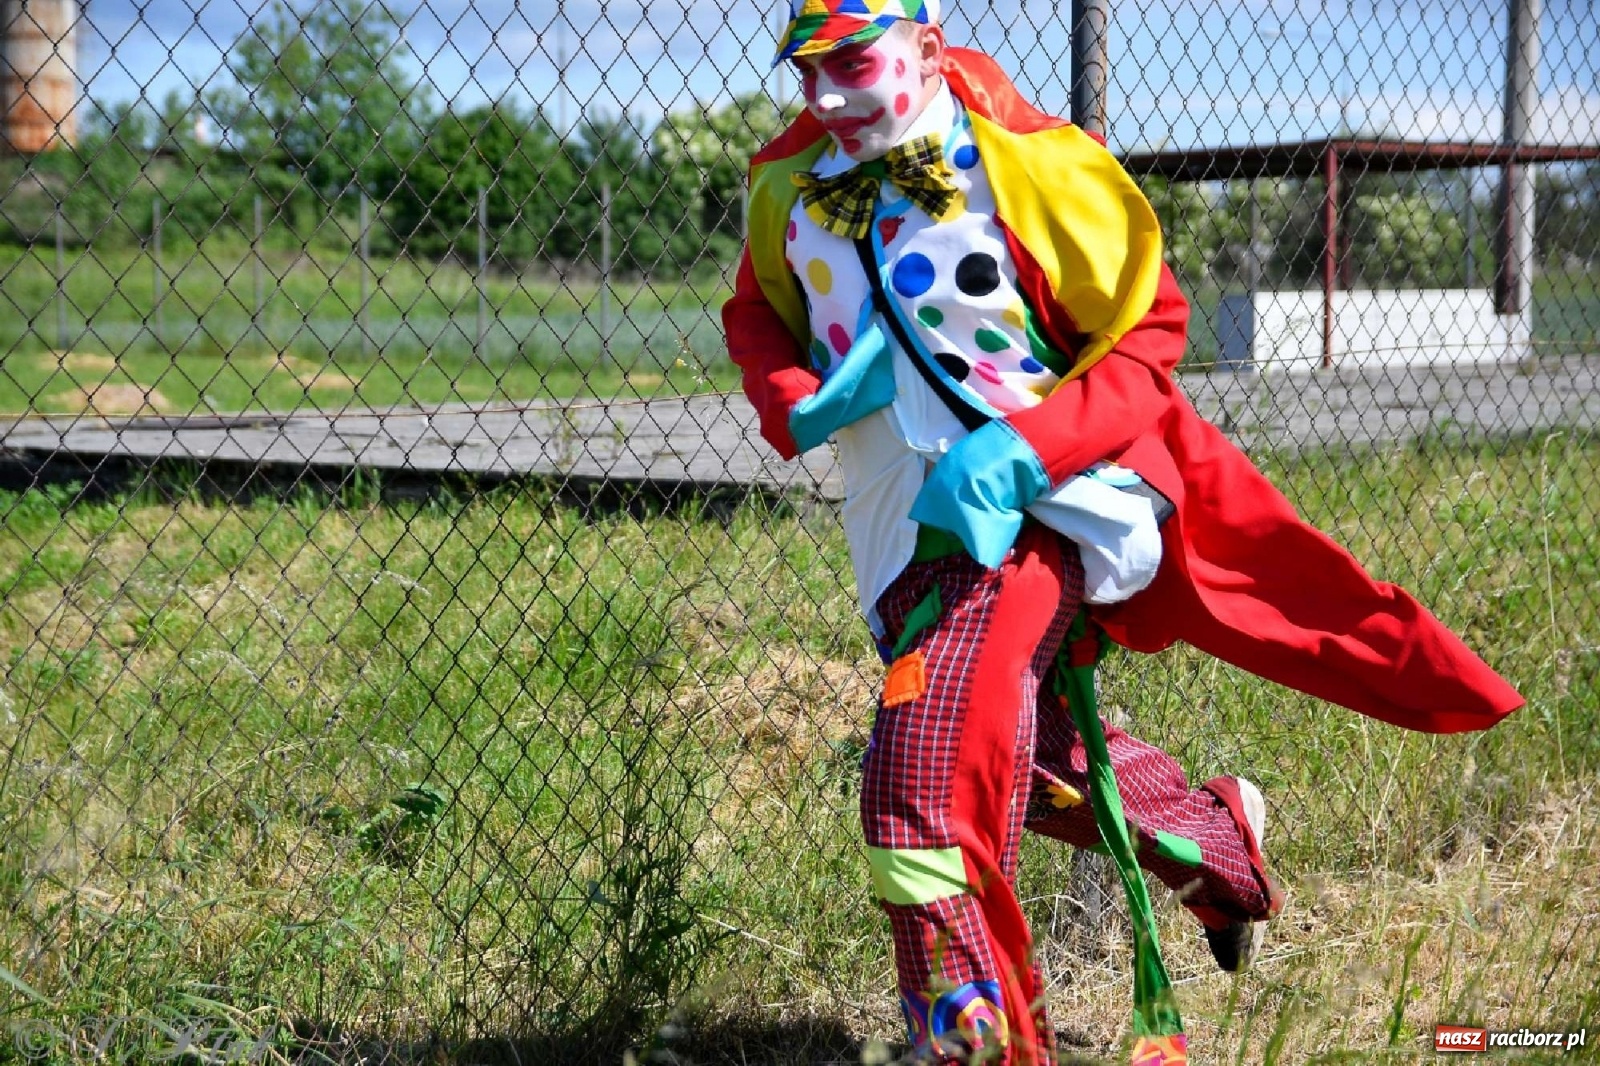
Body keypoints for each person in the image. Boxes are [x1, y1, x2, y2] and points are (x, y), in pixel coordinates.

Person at [721, 2, 1524, 1062]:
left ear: (922, 49)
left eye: (849, 65)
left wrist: (1023, 451)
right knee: (1017, 754)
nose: (823, 98)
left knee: (917, 772)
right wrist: (800, 399)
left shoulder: (1029, 162)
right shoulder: (789, 183)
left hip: (1041, 504)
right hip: (890, 523)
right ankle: (1218, 845)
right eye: (805, 72)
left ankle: (973, 1042)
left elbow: (1150, 329)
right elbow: (756, 314)